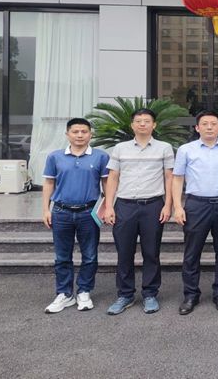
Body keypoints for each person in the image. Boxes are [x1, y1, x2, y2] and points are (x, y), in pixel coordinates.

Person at [103, 108, 174, 315]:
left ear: (154, 125)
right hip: (125, 205)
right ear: (132, 125)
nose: (142, 124)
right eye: (138, 121)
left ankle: (150, 294)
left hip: (153, 205)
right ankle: (125, 294)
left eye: (147, 121)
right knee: (124, 252)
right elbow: (113, 177)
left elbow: (170, 177)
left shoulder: (164, 148)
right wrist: (109, 206)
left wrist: (168, 205)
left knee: (151, 252)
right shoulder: (120, 148)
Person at [172, 110, 218, 315]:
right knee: (192, 252)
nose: (209, 127)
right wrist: (178, 207)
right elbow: (177, 178)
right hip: (196, 205)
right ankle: (191, 294)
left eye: (214, 124)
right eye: (205, 124)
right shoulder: (186, 150)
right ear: (197, 127)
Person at [41, 118, 110, 314]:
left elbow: (107, 184)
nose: (80, 135)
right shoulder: (55, 157)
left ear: (90, 134)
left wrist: (108, 207)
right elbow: (49, 184)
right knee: (62, 256)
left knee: (90, 255)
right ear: (67, 134)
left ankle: (84, 291)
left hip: (89, 213)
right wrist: (45, 209)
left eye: (84, 131)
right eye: (75, 131)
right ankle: (64, 294)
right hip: (61, 212)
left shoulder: (101, 157)